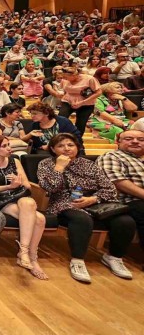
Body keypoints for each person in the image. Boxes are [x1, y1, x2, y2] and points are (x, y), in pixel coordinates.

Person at [37, 133, 135, 282]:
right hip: (65, 201)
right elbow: (51, 188)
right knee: (81, 218)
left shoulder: (89, 164)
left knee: (125, 221)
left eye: (70, 145)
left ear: (77, 147)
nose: (66, 149)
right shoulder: (46, 164)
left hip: (95, 202)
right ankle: (78, 260)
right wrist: (59, 168)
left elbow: (110, 189)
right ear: (52, 149)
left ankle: (114, 257)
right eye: (61, 146)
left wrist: (92, 199)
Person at [0, 135, 47, 279]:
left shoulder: (15, 160)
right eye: (4, 146)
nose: (9, 148)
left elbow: (27, 186)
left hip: (19, 197)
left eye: (8, 145)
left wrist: (19, 182)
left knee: (30, 205)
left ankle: (26, 254)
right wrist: (9, 186)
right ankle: (30, 256)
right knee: (39, 219)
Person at [97, 130, 144, 263]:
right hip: (127, 200)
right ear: (118, 142)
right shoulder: (112, 156)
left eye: (141, 139)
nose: (135, 141)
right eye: (129, 138)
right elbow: (118, 182)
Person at [59, 67, 102, 134]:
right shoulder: (64, 79)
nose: (64, 79)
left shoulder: (89, 79)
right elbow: (64, 91)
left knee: (81, 123)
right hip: (68, 100)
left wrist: (82, 102)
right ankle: (61, 136)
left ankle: (77, 139)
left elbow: (99, 92)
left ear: (74, 75)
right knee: (61, 117)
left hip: (86, 102)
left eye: (65, 77)